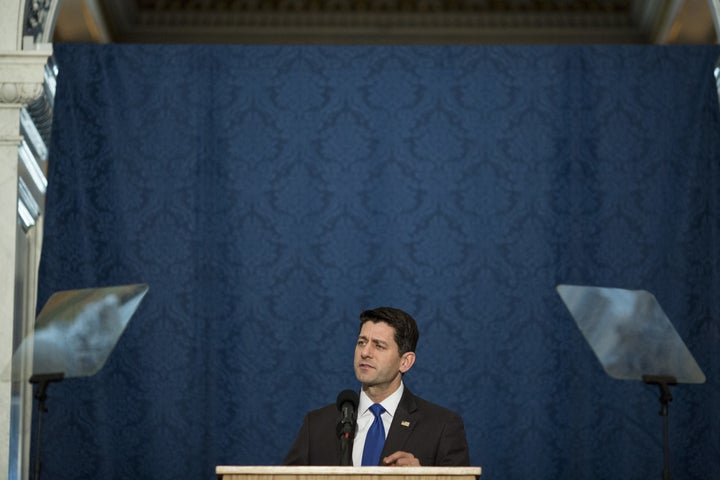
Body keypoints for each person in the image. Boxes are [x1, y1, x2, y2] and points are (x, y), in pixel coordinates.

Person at [283, 307, 470, 466]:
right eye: (361, 342)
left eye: (379, 346)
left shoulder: (442, 426)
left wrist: (425, 478)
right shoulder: (316, 425)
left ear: (405, 362)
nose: (365, 352)